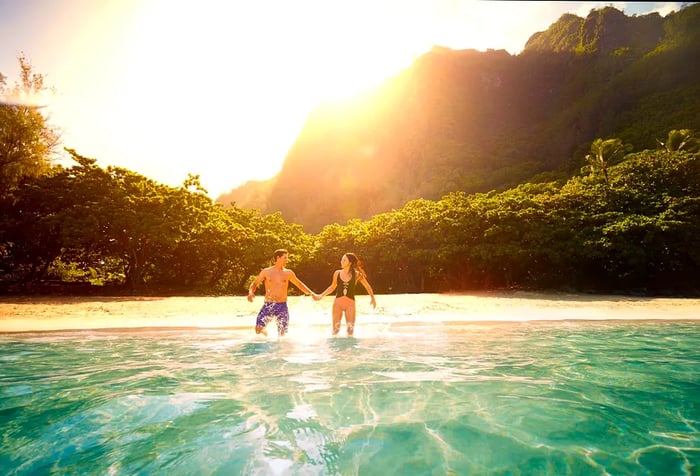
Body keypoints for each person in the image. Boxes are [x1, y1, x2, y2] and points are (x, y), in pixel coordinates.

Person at [247, 249, 316, 336]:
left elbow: (299, 284)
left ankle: (278, 347)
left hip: (282, 306)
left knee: (282, 334)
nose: (287, 260)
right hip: (269, 305)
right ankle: (267, 337)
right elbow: (255, 283)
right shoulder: (266, 271)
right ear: (278, 258)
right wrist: (250, 292)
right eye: (285, 258)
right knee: (258, 329)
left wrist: (311, 293)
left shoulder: (288, 273)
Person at [314, 252, 376, 336]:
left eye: (344, 260)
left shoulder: (357, 274)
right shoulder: (337, 273)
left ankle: (349, 348)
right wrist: (321, 295)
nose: (341, 261)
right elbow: (332, 287)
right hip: (337, 304)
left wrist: (372, 298)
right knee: (335, 330)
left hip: (350, 304)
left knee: (350, 331)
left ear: (349, 263)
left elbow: (367, 286)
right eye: (341, 259)